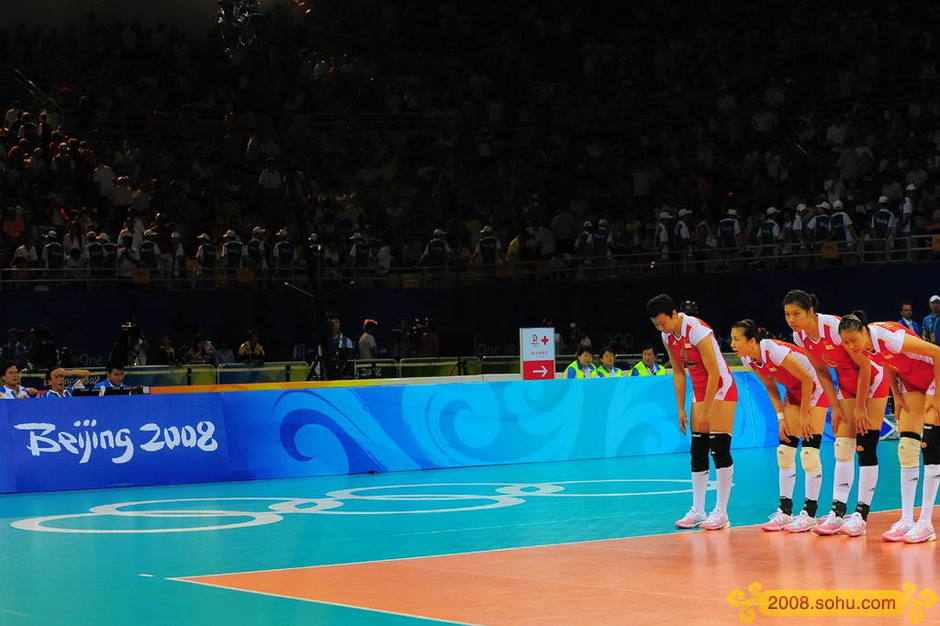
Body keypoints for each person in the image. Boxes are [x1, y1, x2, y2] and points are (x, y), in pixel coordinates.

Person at [783, 290, 887, 536]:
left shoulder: (833, 327)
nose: (791, 319)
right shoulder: (800, 336)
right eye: (787, 314)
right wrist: (836, 406)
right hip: (846, 386)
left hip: (871, 381)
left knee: (865, 446)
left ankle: (861, 516)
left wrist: (861, 407)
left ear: (811, 312)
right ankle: (838, 512)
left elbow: (865, 366)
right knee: (842, 447)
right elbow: (821, 372)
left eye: (796, 313)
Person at [838, 313, 940, 543]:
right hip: (911, 381)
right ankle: (906, 519)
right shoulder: (865, 347)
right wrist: (897, 395)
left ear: (865, 331)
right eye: (845, 342)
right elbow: (887, 365)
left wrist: (937, 397)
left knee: (931, 447)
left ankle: (925, 523)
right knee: (907, 449)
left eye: (853, 340)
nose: (850, 346)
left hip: (935, 376)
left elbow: (936, 352)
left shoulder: (888, 336)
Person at [647, 293, 737, 530]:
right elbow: (678, 372)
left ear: (675, 314)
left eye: (664, 322)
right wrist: (680, 408)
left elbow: (714, 372)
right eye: (656, 325)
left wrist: (707, 409)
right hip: (699, 390)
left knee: (719, 448)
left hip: (721, 387)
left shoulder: (696, 329)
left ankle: (721, 512)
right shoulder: (667, 336)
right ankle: (698, 510)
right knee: (698, 450)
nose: (661, 327)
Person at [731, 321, 829, 532]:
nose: (732, 344)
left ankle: (810, 514)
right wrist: (781, 418)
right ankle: (785, 512)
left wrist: (804, 416)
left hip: (816, 388)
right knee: (785, 451)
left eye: (736, 339)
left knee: (809, 454)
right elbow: (770, 386)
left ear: (751, 341)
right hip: (794, 392)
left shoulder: (772, 350)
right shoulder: (748, 359)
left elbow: (806, 380)